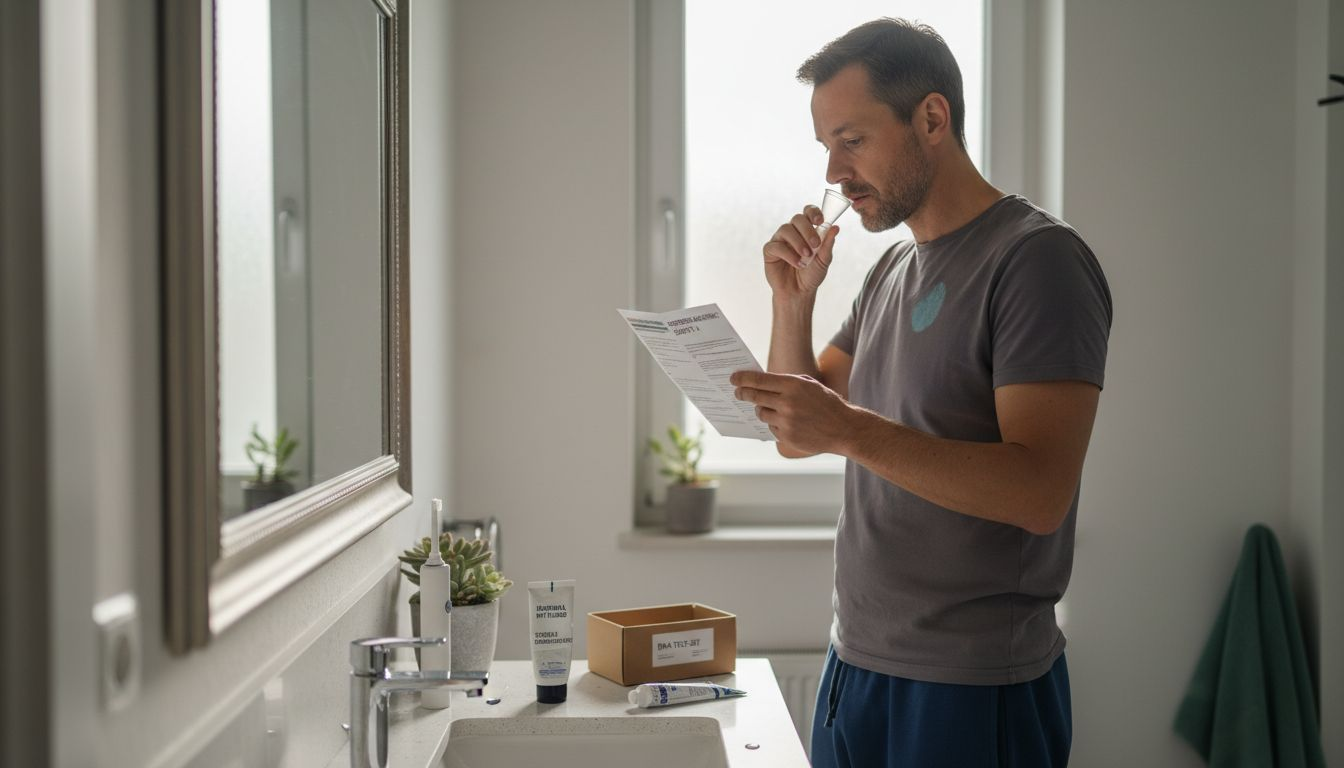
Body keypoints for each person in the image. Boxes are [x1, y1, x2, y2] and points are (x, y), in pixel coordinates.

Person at [728, 18, 1112, 768]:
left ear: (932, 118)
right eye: (826, 149)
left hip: (972, 687)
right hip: (856, 663)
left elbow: (1039, 492)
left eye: (853, 140)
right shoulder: (890, 272)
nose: (834, 174)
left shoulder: (1037, 261)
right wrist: (791, 302)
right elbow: (801, 431)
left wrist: (852, 431)